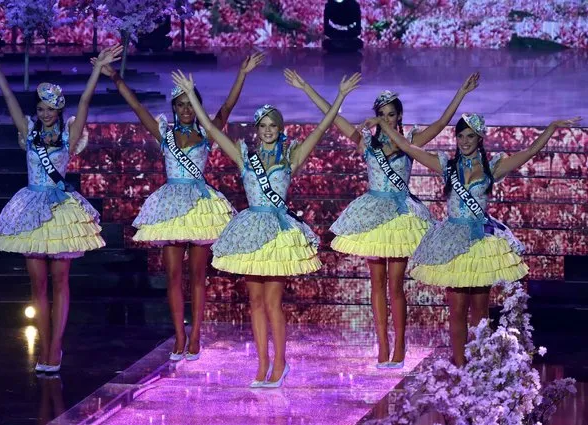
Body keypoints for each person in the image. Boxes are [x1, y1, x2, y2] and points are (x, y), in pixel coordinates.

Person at [172, 69, 360, 387]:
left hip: (278, 235)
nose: (269, 130)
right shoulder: (245, 156)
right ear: (257, 130)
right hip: (250, 232)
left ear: (280, 129)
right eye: (264, 126)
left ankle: (280, 363)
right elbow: (210, 130)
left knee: (273, 302)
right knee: (255, 302)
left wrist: (339, 96)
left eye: (274, 125)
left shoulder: (291, 155)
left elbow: (324, 127)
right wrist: (191, 95)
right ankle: (261, 365)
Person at [284, 69, 480, 367]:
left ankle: (400, 344)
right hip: (373, 216)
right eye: (382, 114)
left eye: (391, 114)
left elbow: (441, 123)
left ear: (399, 116)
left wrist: (461, 94)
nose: (387, 119)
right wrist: (305, 86)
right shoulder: (366, 142)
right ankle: (382, 346)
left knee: (395, 285)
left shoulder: (410, 139)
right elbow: (332, 116)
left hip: (401, 218)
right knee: (376, 284)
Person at [91, 54, 265, 361]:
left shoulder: (206, 131)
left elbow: (227, 107)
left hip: (200, 208)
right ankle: (179, 336)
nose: (186, 110)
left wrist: (242, 73)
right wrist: (115, 77)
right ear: (173, 108)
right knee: (173, 276)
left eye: (190, 104)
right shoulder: (165, 134)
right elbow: (137, 108)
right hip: (171, 206)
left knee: (198, 276)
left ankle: (196, 335)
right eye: (180, 104)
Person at [373, 112, 581, 366]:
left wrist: (551, 127)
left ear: (480, 138)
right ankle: (460, 365)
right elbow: (407, 146)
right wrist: (384, 124)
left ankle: (479, 364)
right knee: (457, 309)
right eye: (460, 136)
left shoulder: (493, 167)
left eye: (470, 136)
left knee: (480, 311)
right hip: (453, 241)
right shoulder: (447, 166)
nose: (464, 141)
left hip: (481, 242)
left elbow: (529, 151)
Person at [0, 41, 123, 372]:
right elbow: (9, 98)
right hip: (30, 207)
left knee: (60, 280)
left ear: (58, 111)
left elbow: (85, 101)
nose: (44, 114)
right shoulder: (29, 132)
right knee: (37, 282)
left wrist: (97, 69)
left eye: (49, 109)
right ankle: (44, 344)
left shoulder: (69, 137)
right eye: (40, 109)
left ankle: (56, 348)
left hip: (60, 209)